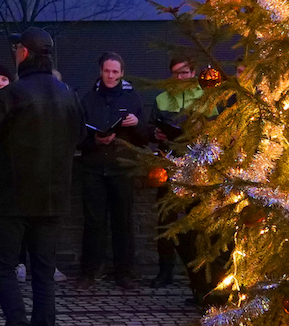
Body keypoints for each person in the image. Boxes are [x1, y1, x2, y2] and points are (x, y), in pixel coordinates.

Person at [0, 27, 84, 326]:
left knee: (3, 268)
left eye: (18, 48)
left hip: (12, 199)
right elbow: (80, 138)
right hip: (52, 199)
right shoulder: (68, 95)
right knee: (43, 274)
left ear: (25, 54)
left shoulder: (12, 95)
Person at [78, 50, 149, 290]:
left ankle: (125, 273)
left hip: (122, 167)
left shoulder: (133, 100)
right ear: (100, 71)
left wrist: (137, 125)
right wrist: (95, 141)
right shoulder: (87, 99)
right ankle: (88, 272)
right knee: (93, 222)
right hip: (94, 167)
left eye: (115, 72)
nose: (110, 75)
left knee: (123, 222)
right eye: (107, 71)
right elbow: (77, 136)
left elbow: (144, 138)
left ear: (121, 73)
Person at [151, 56, 204, 291]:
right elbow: (150, 127)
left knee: (196, 221)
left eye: (184, 73)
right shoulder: (162, 98)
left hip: (198, 166)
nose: (180, 78)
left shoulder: (206, 96)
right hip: (169, 165)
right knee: (165, 219)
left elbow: (215, 127)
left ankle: (198, 273)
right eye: (176, 73)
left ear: (193, 73)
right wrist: (156, 133)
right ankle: (165, 270)